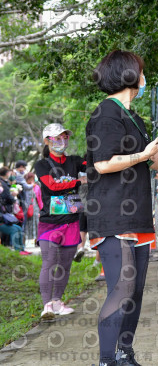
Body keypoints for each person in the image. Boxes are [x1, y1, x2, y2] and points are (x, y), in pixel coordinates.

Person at [86, 50, 158, 366]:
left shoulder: (133, 118)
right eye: (141, 69)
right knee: (121, 288)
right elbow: (102, 163)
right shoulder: (105, 115)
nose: (144, 75)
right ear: (129, 74)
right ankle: (106, 359)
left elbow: (150, 164)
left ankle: (125, 354)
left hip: (137, 215)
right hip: (112, 215)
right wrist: (142, 156)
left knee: (134, 292)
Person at [35, 123, 86, 320]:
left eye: (65, 137)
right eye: (57, 138)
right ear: (47, 141)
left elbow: (93, 167)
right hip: (50, 222)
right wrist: (79, 181)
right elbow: (53, 185)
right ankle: (47, 305)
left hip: (72, 221)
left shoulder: (74, 161)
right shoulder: (42, 165)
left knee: (65, 265)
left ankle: (57, 301)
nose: (62, 141)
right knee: (48, 262)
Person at [0, 167, 29, 254]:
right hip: (2, 220)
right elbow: (8, 197)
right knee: (14, 230)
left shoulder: (4, 184)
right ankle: (17, 250)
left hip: (4, 216)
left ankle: (21, 249)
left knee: (18, 228)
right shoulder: (3, 184)